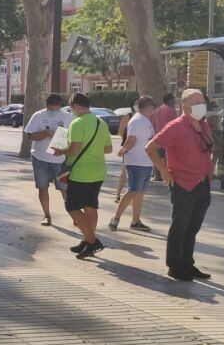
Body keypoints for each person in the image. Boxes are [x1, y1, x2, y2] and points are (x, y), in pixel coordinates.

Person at [146, 88, 214, 282]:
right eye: (196, 102)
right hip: (183, 183)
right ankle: (175, 266)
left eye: (202, 101)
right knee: (180, 226)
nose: (202, 105)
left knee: (193, 227)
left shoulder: (204, 125)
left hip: (203, 182)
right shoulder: (175, 126)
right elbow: (150, 147)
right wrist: (163, 171)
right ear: (185, 107)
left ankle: (187, 263)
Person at [53, 92, 112, 259]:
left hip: (81, 172)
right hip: (98, 171)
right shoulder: (101, 123)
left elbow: (74, 149)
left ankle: (93, 241)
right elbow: (108, 149)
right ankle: (86, 241)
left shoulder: (77, 123)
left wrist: (61, 151)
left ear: (74, 106)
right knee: (90, 206)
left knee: (71, 206)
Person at [23, 93, 73, 227]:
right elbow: (30, 136)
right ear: (46, 105)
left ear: (60, 106)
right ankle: (47, 215)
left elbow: (73, 138)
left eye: (56, 108)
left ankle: (75, 215)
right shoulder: (38, 116)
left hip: (60, 159)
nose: (54, 110)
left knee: (65, 189)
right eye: (51, 108)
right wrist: (45, 133)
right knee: (43, 187)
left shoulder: (68, 117)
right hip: (40, 158)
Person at [109, 96, 156, 232]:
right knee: (133, 190)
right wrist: (123, 150)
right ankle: (116, 218)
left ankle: (135, 221)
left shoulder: (144, 120)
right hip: (137, 162)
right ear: (147, 107)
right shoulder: (138, 121)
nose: (154, 108)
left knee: (140, 192)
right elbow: (131, 140)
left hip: (144, 162)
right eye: (152, 105)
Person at [113, 105, 136, 202]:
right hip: (129, 148)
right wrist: (128, 141)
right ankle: (118, 194)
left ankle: (133, 195)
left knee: (136, 172)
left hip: (141, 149)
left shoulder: (145, 117)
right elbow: (120, 132)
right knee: (125, 171)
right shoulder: (128, 116)